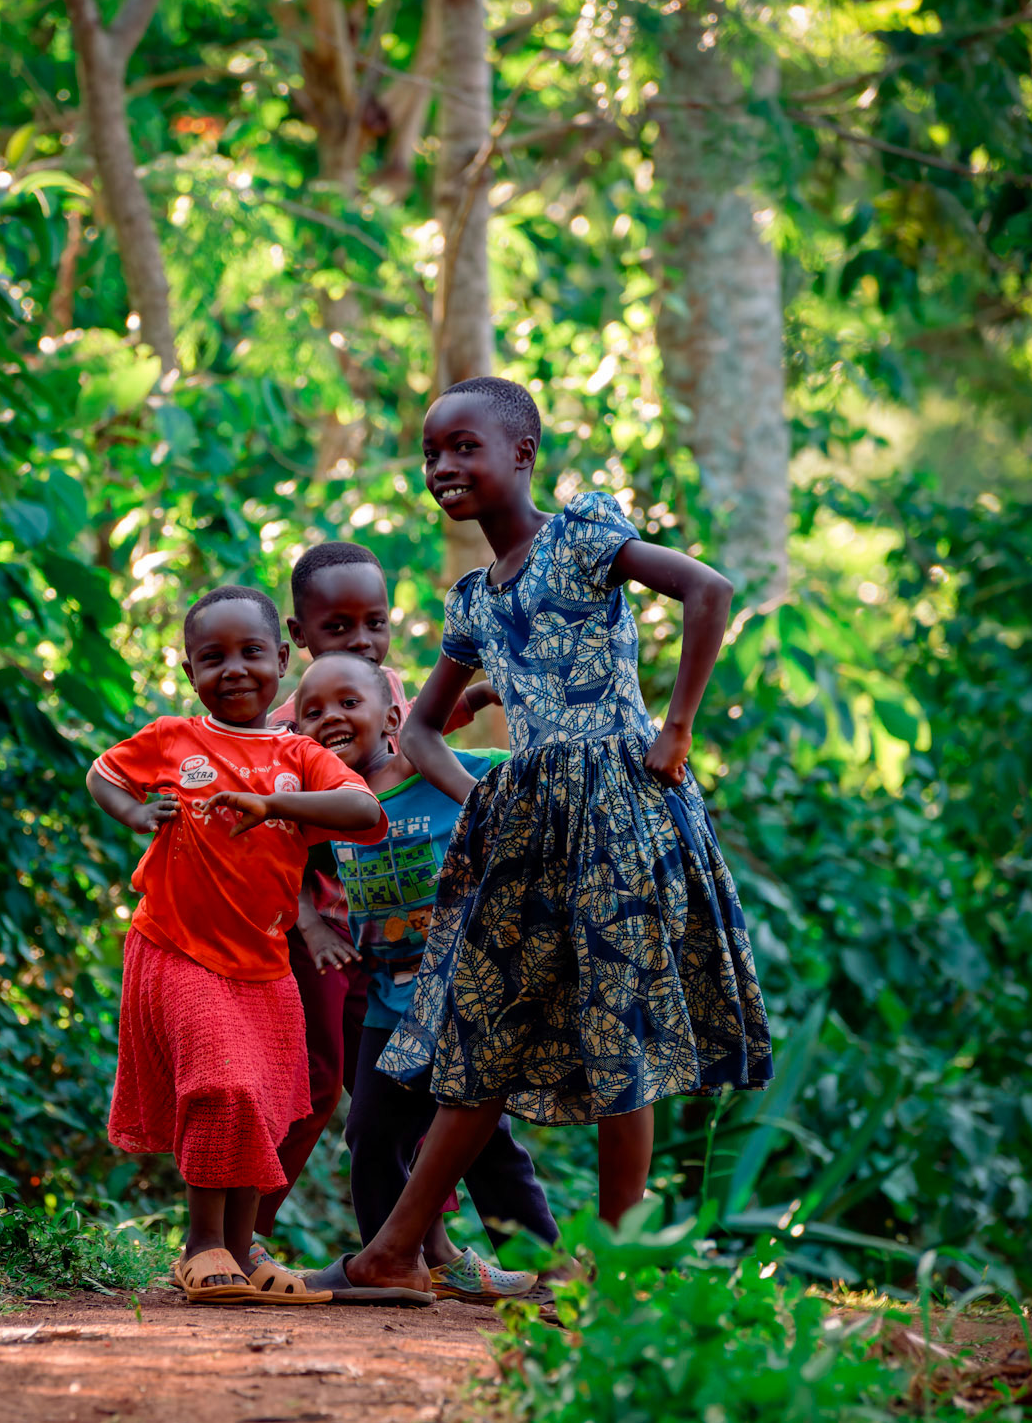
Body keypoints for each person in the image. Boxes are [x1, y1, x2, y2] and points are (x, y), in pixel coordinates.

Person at [327, 376, 773, 1299]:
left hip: (620, 806)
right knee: (481, 1025)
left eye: (464, 447)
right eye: (431, 453)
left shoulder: (582, 537)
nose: (443, 466)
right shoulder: (473, 601)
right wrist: (477, 800)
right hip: (527, 828)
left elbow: (708, 591)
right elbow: (417, 732)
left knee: (622, 1027)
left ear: (522, 454)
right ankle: (395, 1251)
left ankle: (609, 1263)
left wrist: (677, 726)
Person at [87, 585, 388, 1304]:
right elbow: (102, 772)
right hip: (177, 947)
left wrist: (272, 803)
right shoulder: (171, 737)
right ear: (190, 671)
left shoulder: (298, 754)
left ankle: (243, 1250)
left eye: (251, 653)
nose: (234, 670)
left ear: (281, 658)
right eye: (211, 657)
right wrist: (134, 811)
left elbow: (363, 809)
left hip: (264, 962)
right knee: (219, 1084)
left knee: (261, 1101)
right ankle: (201, 1249)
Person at [249, 651, 558, 1305]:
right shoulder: (327, 812)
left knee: (482, 1142)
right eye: (312, 711)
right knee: (370, 1131)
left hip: (464, 992)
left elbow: (521, 783)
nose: (329, 717)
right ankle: (397, 1260)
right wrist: (310, 922)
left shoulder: (440, 775)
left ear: (393, 716)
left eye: (347, 703)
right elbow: (280, 857)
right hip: (390, 1001)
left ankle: (548, 1269)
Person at [252, 541, 496, 1245]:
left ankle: (426, 1243)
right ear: (297, 638)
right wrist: (307, 926)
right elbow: (275, 845)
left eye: (374, 622)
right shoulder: (285, 730)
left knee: (409, 1078)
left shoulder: (383, 690)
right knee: (318, 1078)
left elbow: (416, 733)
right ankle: (245, 1237)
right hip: (321, 932)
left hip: (392, 938)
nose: (361, 638)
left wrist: (478, 694)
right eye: (337, 628)